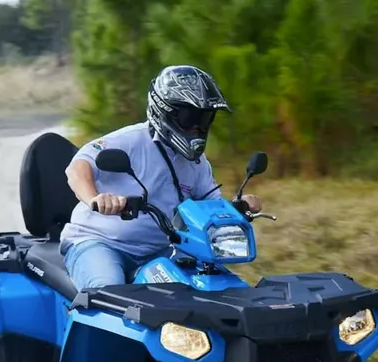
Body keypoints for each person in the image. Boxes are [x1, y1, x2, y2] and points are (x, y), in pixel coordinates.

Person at [59, 65, 264, 291]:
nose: (197, 128)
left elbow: (210, 206)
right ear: (165, 112)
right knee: (108, 293)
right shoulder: (129, 141)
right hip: (100, 242)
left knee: (214, 287)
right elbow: (77, 169)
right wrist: (95, 198)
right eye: (189, 118)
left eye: (204, 119)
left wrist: (238, 206)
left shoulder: (196, 162)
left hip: (161, 250)